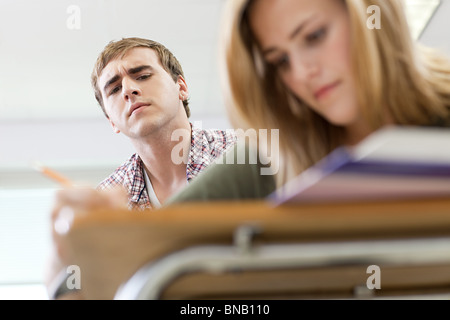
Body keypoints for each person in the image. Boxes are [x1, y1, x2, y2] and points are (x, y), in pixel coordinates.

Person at [166, 0, 450, 203]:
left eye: (314, 36)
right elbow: (152, 239)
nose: (302, 74)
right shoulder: (275, 156)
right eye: (281, 61)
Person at [45, 37, 236, 299]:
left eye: (143, 75)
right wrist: (63, 260)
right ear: (112, 121)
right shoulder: (106, 203)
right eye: (113, 89)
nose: (128, 89)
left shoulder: (247, 154)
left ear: (181, 87)